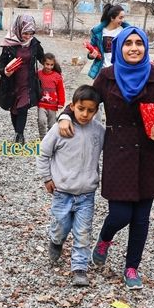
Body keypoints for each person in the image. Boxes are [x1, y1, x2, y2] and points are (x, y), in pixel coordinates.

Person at [58, 26, 154, 290]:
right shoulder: (107, 77)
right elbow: (84, 101)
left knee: (141, 217)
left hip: (148, 153)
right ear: (119, 48)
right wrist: (65, 115)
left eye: (138, 43)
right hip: (118, 151)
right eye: (127, 43)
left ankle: (132, 267)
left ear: (145, 46)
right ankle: (105, 237)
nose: (134, 47)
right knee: (120, 214)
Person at [36, 85, 105, 287]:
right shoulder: (60, 129)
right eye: (81, 108)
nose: (84, 114)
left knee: (83, 232)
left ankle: (79, 268)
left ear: (96, 110)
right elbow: (43, 153)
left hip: (86, 194)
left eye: (90, 110)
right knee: (60, 226)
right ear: (72, 106)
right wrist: (47, 178)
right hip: (62, 192)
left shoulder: (98, 131)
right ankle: (56, 241)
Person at [0, 15, 45, 144]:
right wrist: (5, 71)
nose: (28, 36)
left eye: (31, 33)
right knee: (14, 109)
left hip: (27, 83)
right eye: (25, 33)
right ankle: (17, 132)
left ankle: (20, 135)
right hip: (11, 82)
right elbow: (1, 64)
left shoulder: (34, 44)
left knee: (23, 107)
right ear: (18, 29)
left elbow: (43, 58)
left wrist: (54, 69)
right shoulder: (9, 44)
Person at [87, 3, 130, 79]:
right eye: (120, 18)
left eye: (123, 18)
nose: (122, 20)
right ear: (112, 18)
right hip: (102, 71)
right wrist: (91, 55)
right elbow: (91, 50)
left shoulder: (125, 32)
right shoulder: (98, 33)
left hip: (118, 72)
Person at [37, 53, 66, 139]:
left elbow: (61, 90)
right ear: (43, 63)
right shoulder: (38, 74)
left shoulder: (57, 76)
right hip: (41, 104)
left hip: (53, 105)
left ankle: (49, 140)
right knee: (41, 121)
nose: (49, 67)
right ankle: (42, 138)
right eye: (47, 64)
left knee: (52, 124)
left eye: (51, 65)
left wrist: (61, 102)